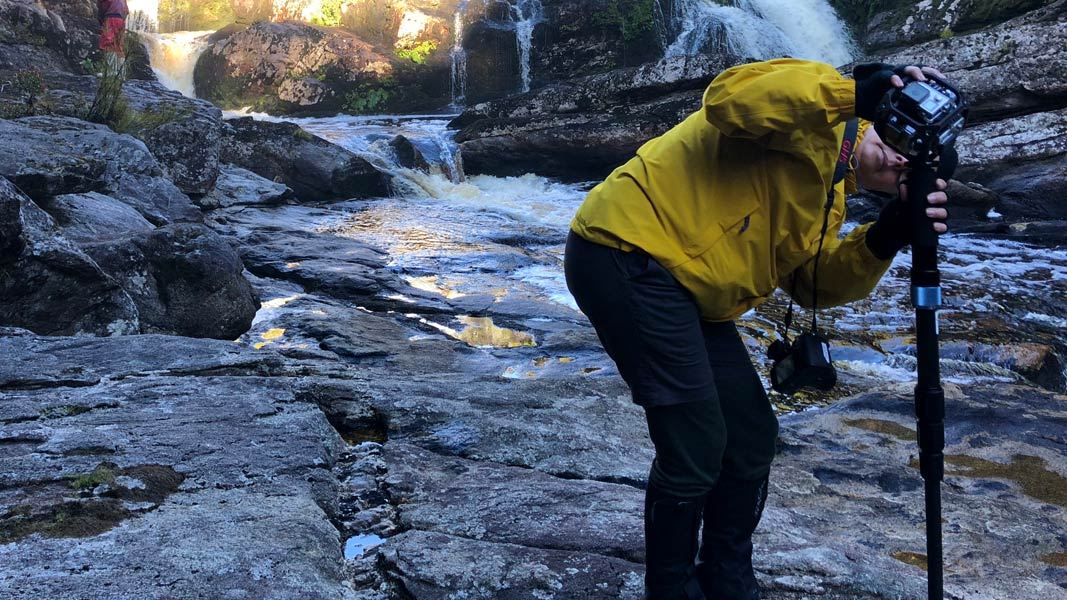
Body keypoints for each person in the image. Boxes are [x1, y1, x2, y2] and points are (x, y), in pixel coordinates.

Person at [563, 59, 953, 600]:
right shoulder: (814, 108)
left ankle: (727, 577)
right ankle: (671, 589)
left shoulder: (832, 196)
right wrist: (855, 93)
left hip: (691, 293)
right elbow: (728, 101)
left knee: (750, 438)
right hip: (626, 253)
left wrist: (884, 236)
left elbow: (812, 286)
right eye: (896, 147)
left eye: (905, 172)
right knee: (696, 443)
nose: (896, 163)